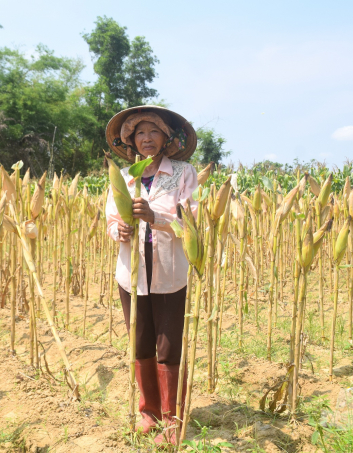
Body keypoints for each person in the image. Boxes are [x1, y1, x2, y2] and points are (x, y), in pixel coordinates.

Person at [105, 105, 198, 445]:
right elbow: (111, 220)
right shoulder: (127, 175)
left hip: (170, 273)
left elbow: (190, 221)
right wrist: (121, 232)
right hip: (131, 274)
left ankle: (172, 419)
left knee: (168, 345)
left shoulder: (183, 173)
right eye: (140, 133)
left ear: (166, 138)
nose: (146, 138)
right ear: (131, 140)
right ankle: (149, 413)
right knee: (140, 341)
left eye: (153, 132)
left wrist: (153, 216)